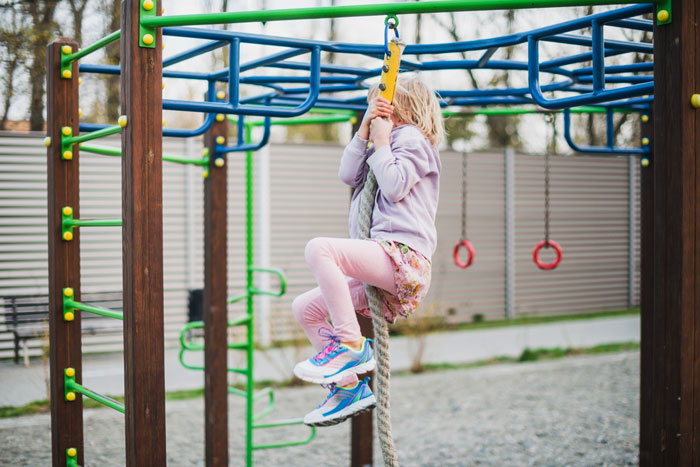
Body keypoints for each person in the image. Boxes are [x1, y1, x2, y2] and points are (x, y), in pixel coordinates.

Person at [292, 74, 444, 426]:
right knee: (305, 308)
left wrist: (381, 142)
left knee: (320, 249)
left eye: (379, 106)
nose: (373, 114)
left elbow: (394, 186)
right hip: (383, 259)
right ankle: (347, 388)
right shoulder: (381, 141)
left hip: (404, 257)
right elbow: (347, 175)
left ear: (401, 107)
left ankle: (350, 345)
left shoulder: (414, 139)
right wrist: (364, 134)